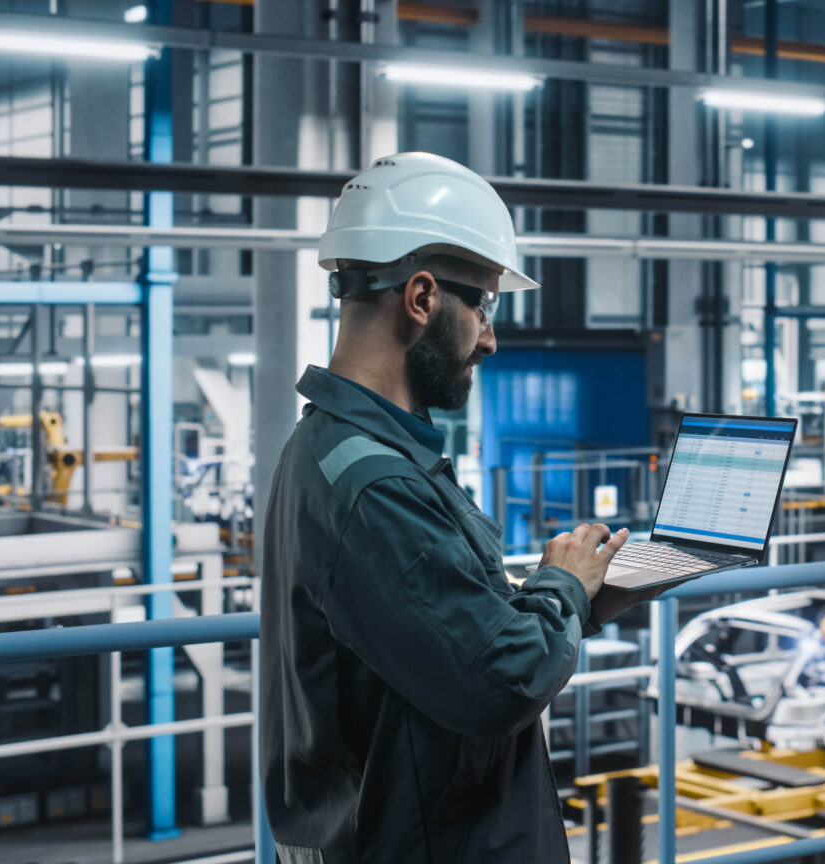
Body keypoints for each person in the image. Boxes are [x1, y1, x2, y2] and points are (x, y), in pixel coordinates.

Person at [259, 152, 628, 863]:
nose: (489, 337)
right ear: (421, 297)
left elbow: (430, 630)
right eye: (484, 305)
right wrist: (559, 589)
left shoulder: (338, 451)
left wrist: (580, 595)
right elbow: (502, 680)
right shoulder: (374, 485)